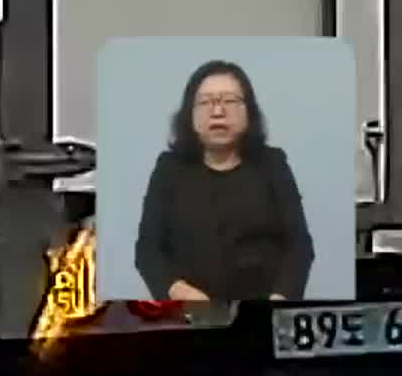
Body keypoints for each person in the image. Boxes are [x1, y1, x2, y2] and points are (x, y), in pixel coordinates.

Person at [134, 59, 314, 303]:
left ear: (248, 111)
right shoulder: (169, 169)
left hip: (261, 316)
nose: (218, 111)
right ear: (190, 114)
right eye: (206, 102)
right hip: (190, 319)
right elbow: (148, 251)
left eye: (229, 101)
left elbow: (299, 246)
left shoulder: (272, 164)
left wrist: (277, 303)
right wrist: (181, 294)